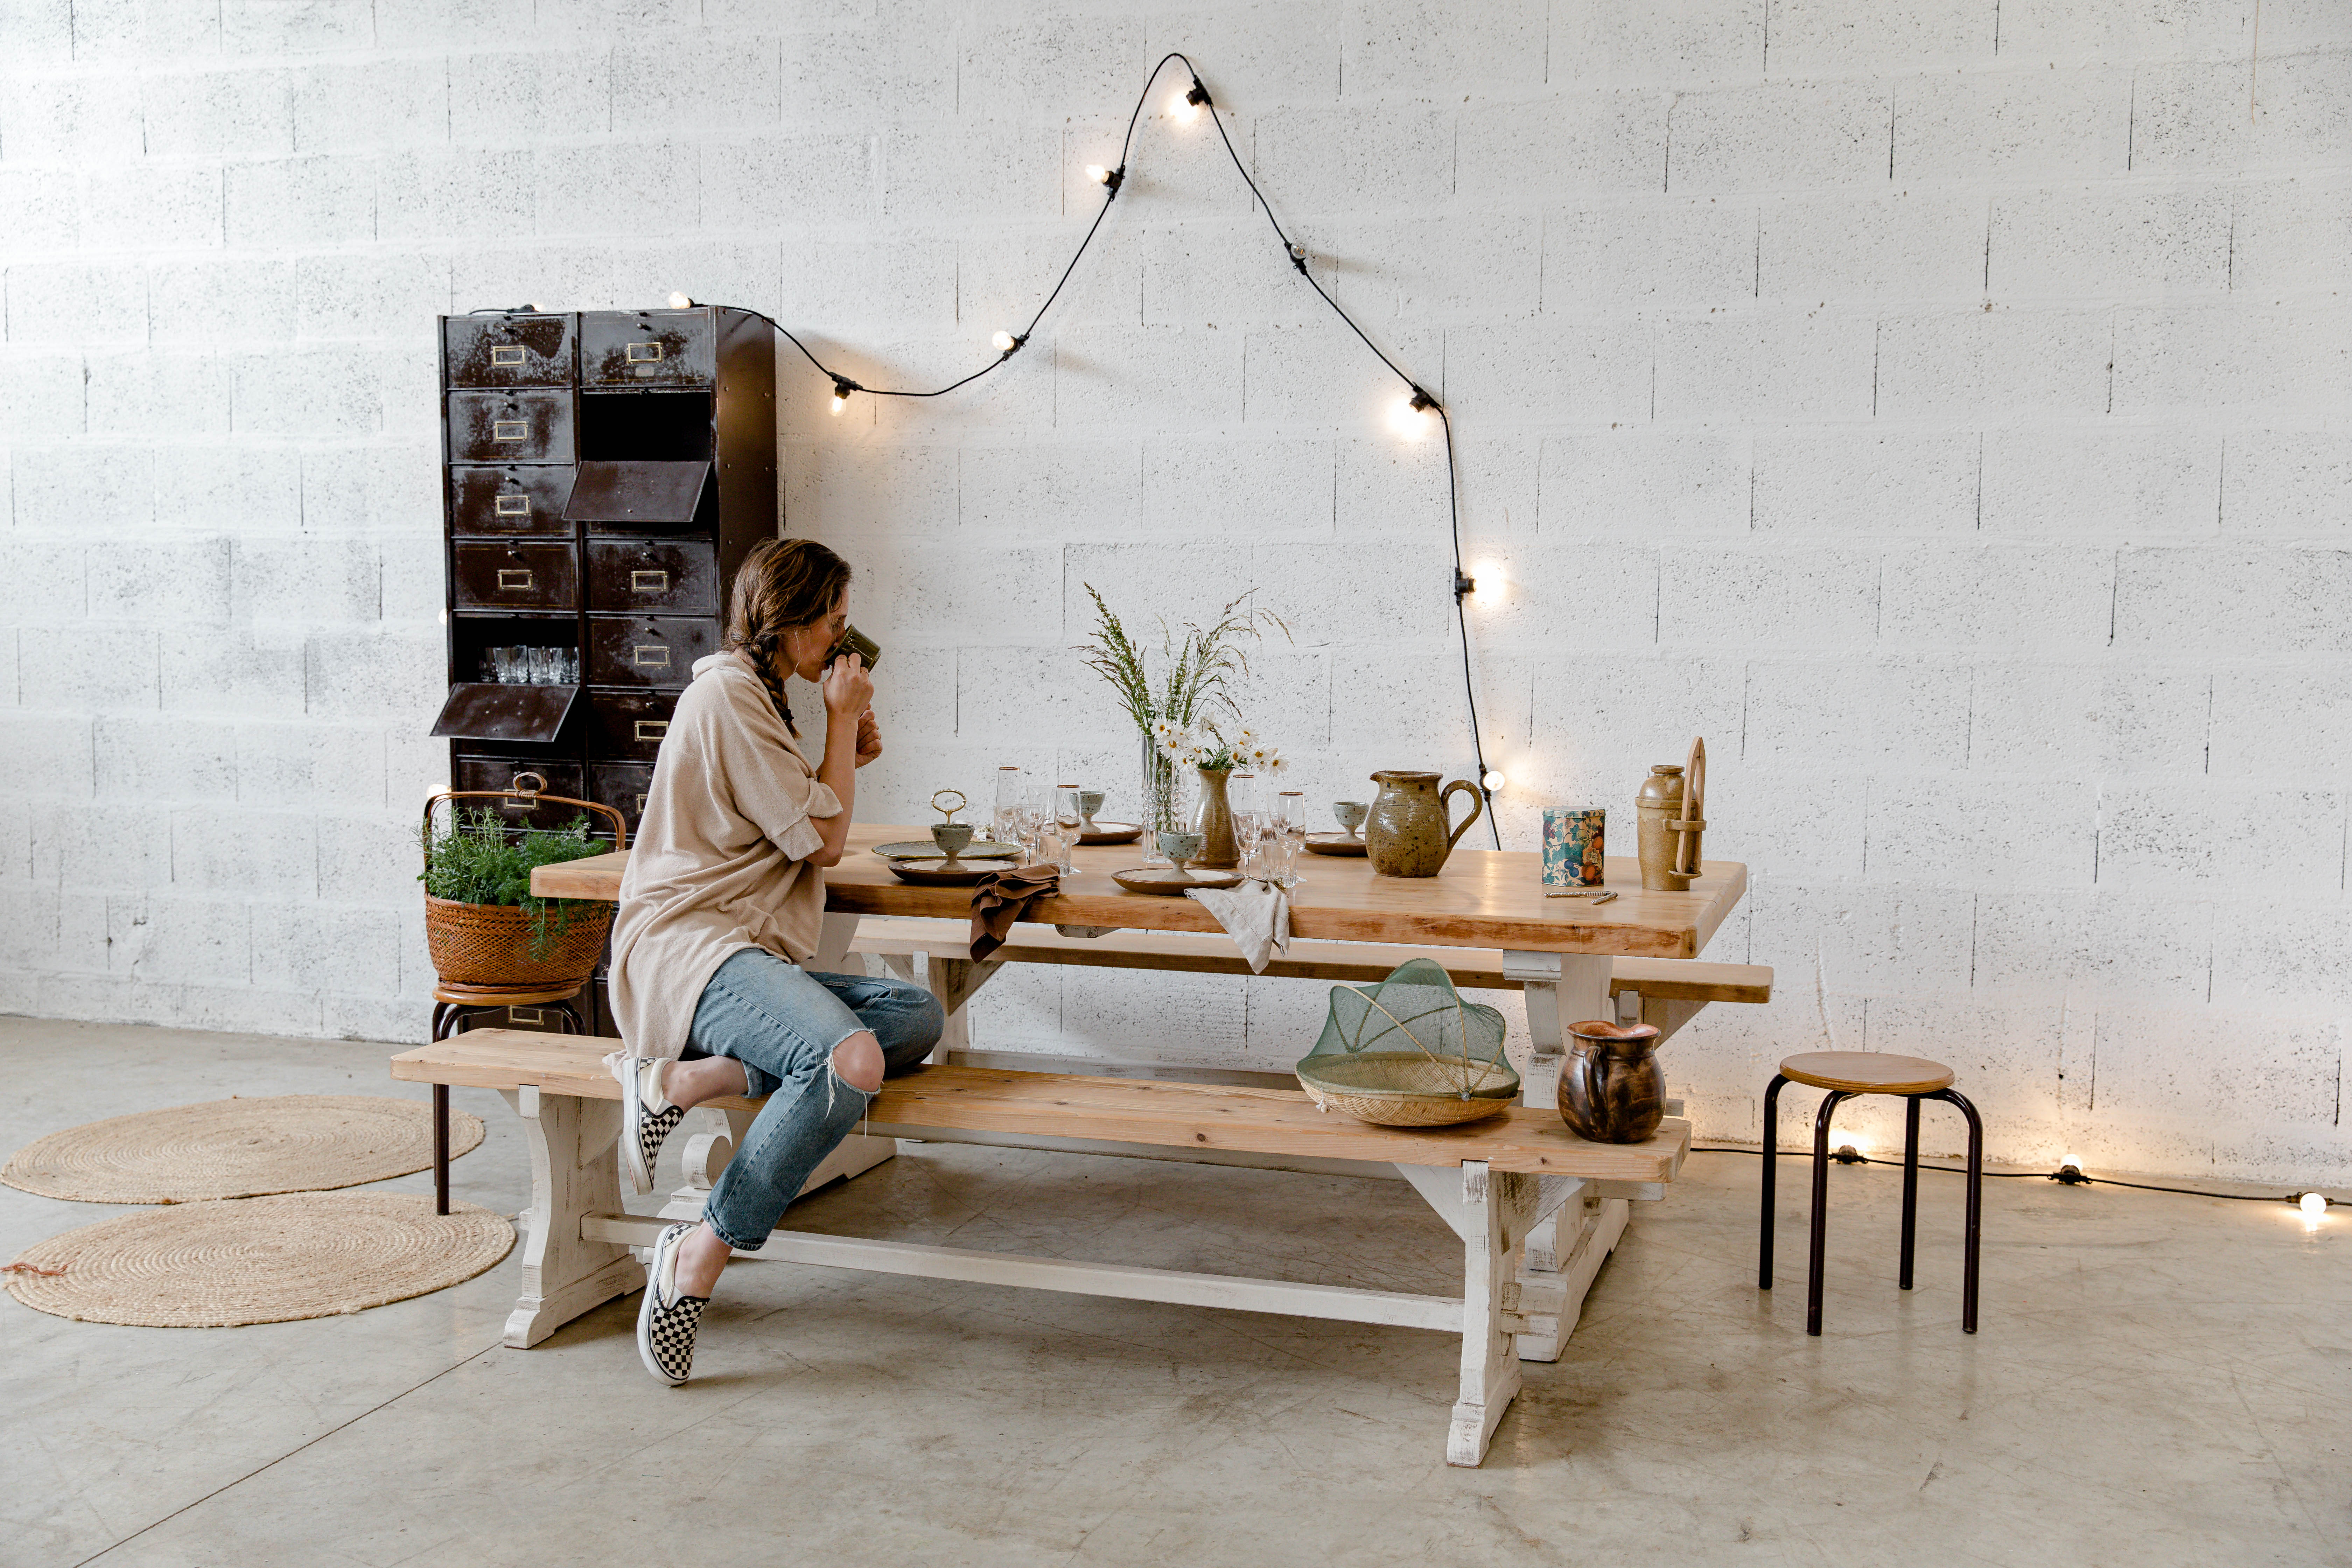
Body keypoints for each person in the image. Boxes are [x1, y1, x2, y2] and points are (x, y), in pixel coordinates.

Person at [606, 537, 943, 1385]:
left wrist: (839, 751)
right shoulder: (728, 696)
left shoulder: (759, 697)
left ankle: (684, 1081)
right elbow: (826, 842)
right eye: (830, 619)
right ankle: (699, 1252)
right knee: (848, 1058)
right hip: (691, 947)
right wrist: (835, 725)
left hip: (743, 949)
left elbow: (801, 812)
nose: (839, 634)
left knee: (915, 1016)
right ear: (789, 621)